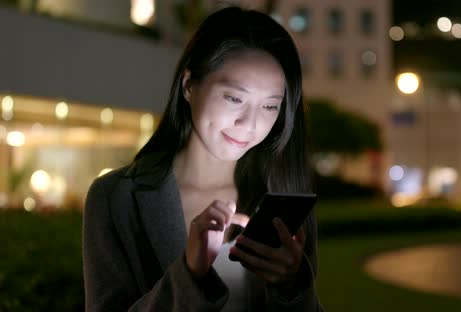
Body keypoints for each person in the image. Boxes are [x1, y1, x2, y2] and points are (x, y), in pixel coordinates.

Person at [83, 6, 323, 311]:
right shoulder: (117, 198)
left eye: (270, 107)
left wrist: (294, 286)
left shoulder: (284, 202)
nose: (249, 124)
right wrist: (190, 274)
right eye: (234, 98)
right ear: (189, 85)